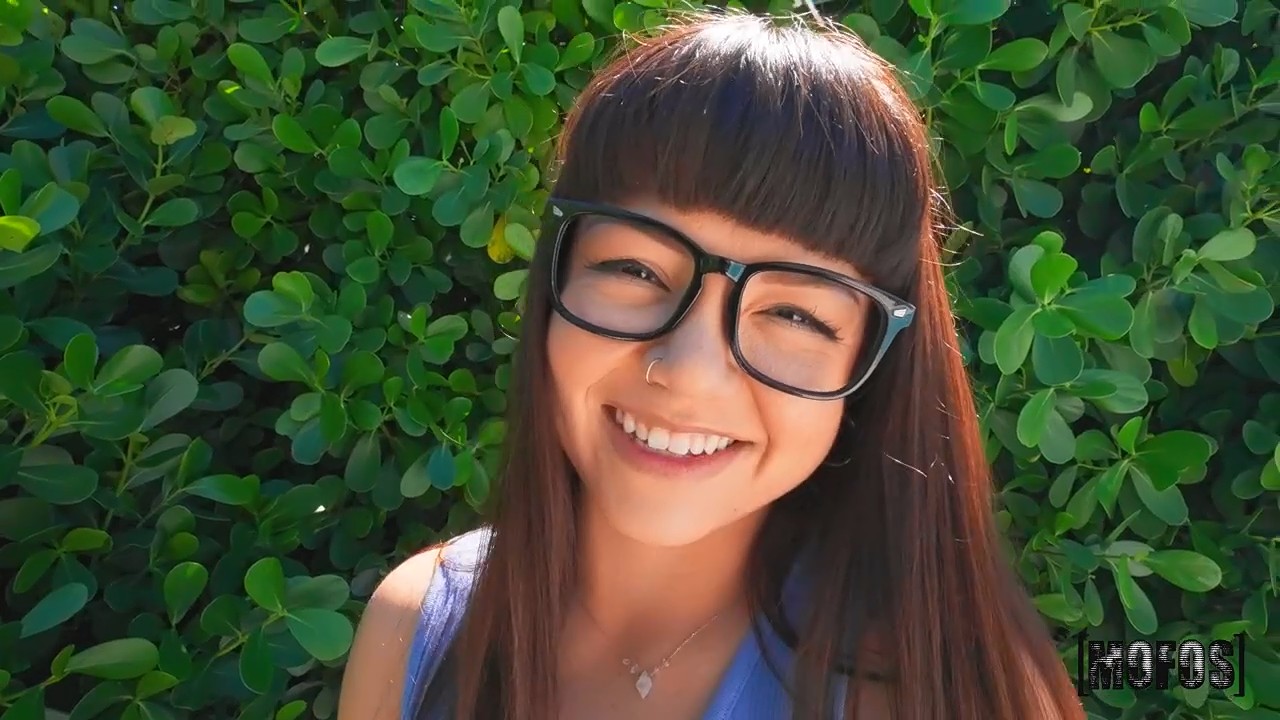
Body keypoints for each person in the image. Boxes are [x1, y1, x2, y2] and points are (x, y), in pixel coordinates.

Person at [338, 9, 1086, 720]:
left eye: (795, 315)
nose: (690, 370)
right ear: (555, 278)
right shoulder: (420, 632)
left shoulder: (946, 693)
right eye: (635, 269)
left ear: (869, 362)